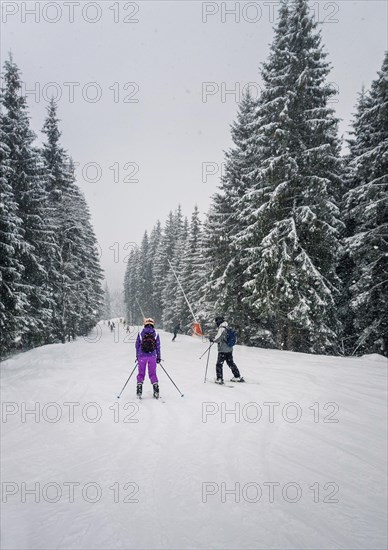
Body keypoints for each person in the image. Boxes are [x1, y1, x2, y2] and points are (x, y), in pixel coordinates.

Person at [210, 316, 244, 384]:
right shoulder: (227, 326)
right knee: (230, 362)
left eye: (216, 321)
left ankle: (219, 379)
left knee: (219, 364)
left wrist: (212, 340)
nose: (216, 323)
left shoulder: (221, 328)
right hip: (229, 349)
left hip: (223, 350)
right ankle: (237, 376)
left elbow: (218, 339)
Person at [135, 317, 161, 398]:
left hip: (141, 356)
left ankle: (139, 388)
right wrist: (158, 357)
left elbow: (137, 345)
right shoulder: (156, 333)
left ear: (145, 323)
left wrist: (137, 356)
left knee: (141, 373)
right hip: (152, 356)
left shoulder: (140, 333)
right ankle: (156, 388)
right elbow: (158, 346)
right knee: (152, 373)